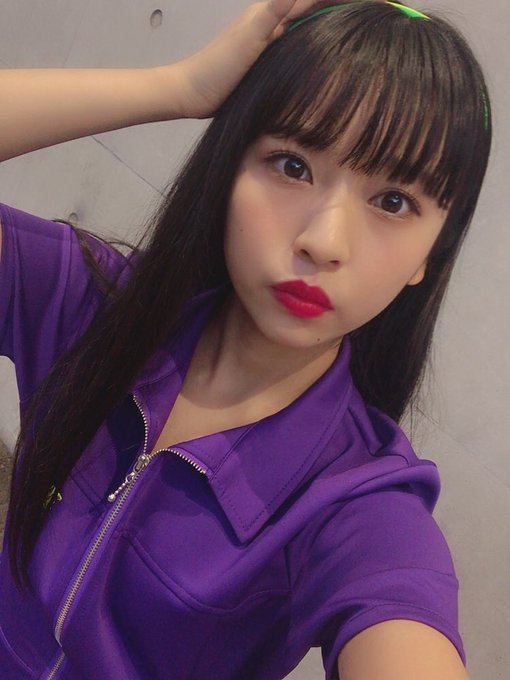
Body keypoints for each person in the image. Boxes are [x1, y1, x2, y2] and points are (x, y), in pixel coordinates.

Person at [0, 1, 490, 678]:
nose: (323, 241)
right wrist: (176, 88)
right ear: (229, 169)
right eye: (292, 165)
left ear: (428, 258)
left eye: (393, 201)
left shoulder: (357, 503)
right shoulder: (95, 307)